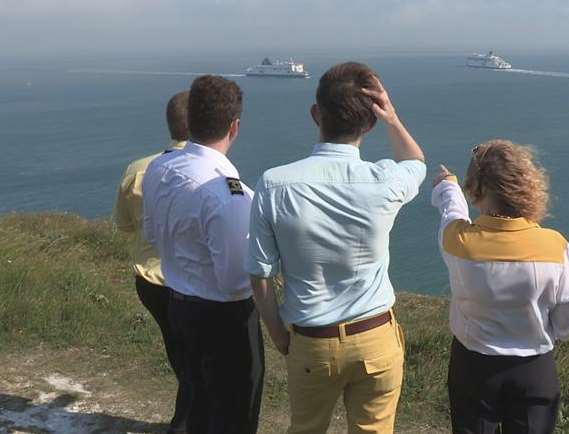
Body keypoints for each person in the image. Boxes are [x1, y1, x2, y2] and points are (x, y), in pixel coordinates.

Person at [246, 62, 426, 434]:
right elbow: (415, 161)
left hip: (312, 341)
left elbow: (260, 273)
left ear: (316, 114)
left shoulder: (274, 184)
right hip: (375, 337)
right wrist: (392, 117)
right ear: (370, 123)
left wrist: (279, 334)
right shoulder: (386, 180)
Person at [431, 140, 569, 434]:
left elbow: (451, 213)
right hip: (533, 369)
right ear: (527, 187)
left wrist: (448, 186)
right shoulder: (554, 246)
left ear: (475, 190)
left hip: (473, 366)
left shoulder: (457, 241)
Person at [142, 75, 264, 434]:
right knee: (235, 416)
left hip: (179, 304)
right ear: (234, 126)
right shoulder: (229, 193)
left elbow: (151, 234)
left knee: (196, 405)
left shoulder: (159, 168)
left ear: (190, 120)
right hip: (224, 319)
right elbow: (233, 282)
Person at [112, 90, 191, 434]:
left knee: (180, 354)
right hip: (192, 285)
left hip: (150, 281)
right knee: (198, 363)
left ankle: (186, 420)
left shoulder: (138, 169)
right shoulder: (213, 171)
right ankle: (186, 424)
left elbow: (125, 224)